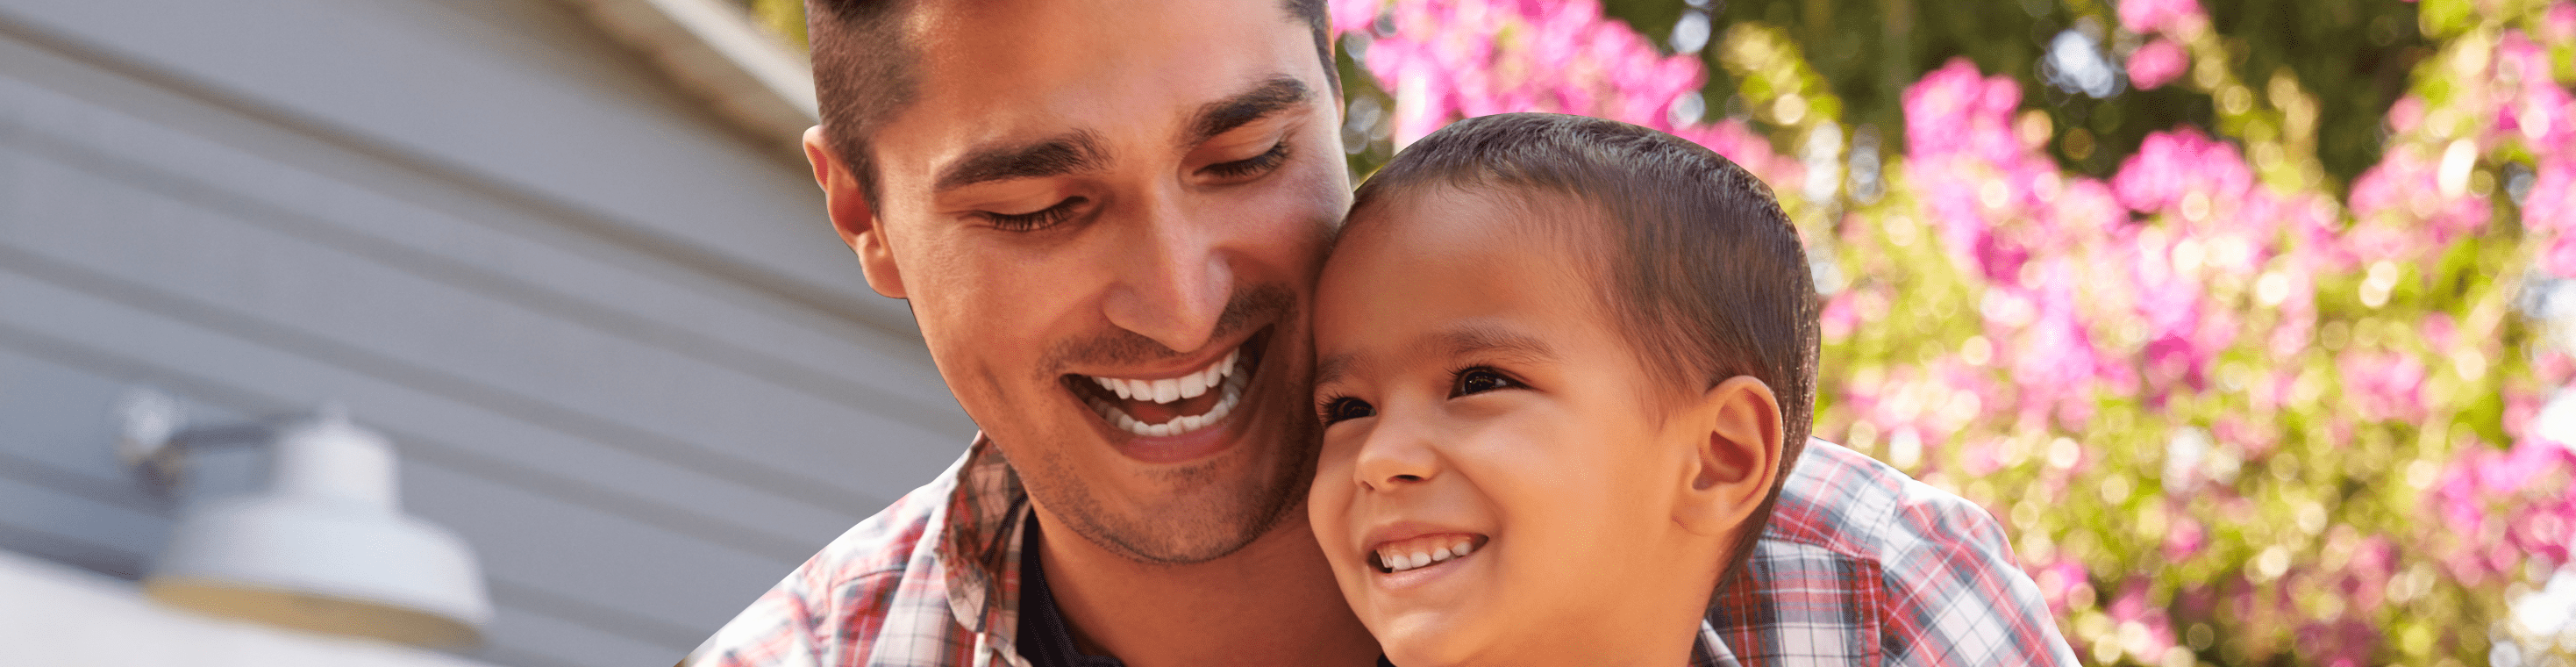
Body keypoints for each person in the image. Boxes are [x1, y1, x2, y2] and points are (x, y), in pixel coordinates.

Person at [682, 0, 2071, 663]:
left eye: (1243, 158)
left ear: (1332, 91)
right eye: (1046, 209)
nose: (1180, 300)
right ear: (861, 213)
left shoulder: (1869, 599)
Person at [1305, 111, 2075, 666]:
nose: (1381, 454)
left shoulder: (1893, 581)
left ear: (1720, 456)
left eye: (1478, 382)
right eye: (1347, 408)